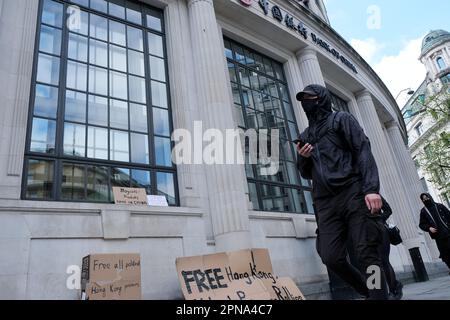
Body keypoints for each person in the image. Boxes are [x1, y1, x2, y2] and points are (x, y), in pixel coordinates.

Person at [296, 84, 388, 300]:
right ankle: (369, 290)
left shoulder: (342, 120)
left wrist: (371, 189)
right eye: (302, 100)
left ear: (321, 98)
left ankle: (377, 296)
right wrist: (303, 157)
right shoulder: (305, 134)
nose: (305, 102)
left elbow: (363, 151)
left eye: (309, 98)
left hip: (353, 193)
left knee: (367, 255)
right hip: (326, 203)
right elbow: (305, 173)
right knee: (331, 257)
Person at [419, 193, 450, 273]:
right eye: (424, 199)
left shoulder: (440, 206)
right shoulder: (423, 211)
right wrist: (429, 228)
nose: (425, 200)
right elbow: (421, 224)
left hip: (448, 233)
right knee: (445, 254)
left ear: (430, 197)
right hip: (438, 236)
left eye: (426, 198)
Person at [379, 197, 403, 299]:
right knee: (371, 263)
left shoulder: (372, 191)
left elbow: (388, 210)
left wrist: (378, 219)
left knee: (384, 261)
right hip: (364, 234)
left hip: (380, 231)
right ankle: (377, 294)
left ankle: (393, 289)